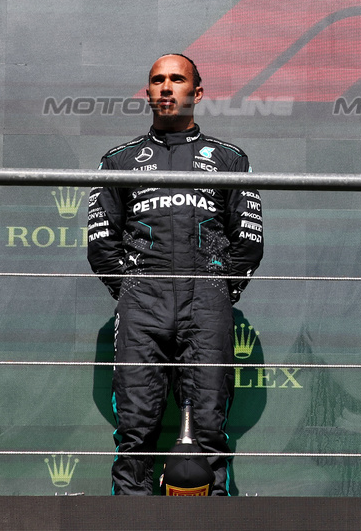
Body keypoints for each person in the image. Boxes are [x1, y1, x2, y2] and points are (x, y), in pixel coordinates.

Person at [87, 54, 264, 495]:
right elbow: (101, 240)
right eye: (158, 80)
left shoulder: (229, 158)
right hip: (141, 301)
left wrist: (221, 289)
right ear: (147, 93)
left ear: (196, 93)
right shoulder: (119, 159)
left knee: (208, 430)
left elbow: (249, 237)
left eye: (177, 79)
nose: (167, 87)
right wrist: (130, 288)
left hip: (207, 300)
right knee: (135, 430)